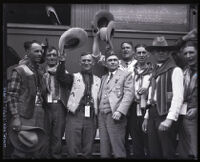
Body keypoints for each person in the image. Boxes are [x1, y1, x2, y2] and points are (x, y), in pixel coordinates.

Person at [143, 36, 184, 159]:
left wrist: (169, 120)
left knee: (167, 152)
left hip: (165, 114)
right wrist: (146, 117)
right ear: (153, 53)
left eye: (164, 50)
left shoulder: (175, 70)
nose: (161, 52)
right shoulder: (154, 71)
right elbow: (151, 96)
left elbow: (178, 97)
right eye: (157, 50)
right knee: (154, 151)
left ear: (169, 52)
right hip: (152, 113)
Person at [7, 40, 48, 159]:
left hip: (39, 112)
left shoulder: (40, 70)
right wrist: (15, 117)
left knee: (37, 148)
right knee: (21, 150)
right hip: (24, 114)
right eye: (36, 51)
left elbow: (43, 92)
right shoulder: (19, 70)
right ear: (28, 52)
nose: (40, 54)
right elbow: (12, 94)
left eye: (41, 51)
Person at [56, 52, 101, 158]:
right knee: (72, 147)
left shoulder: (99, 80)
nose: (86, 62)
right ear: (80, 62)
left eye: (89, 60)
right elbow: (61, 77)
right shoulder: (73, 77)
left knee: (88, 147)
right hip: (75, 113)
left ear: (93, 62)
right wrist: (62, 62)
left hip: (91, 115)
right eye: (84, 60)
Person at [98, 52, 134, 158]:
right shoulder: (104, 77)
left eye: (115, 60)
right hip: (102, 115)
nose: (113, 62)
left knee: (117, 147)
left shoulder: (125, 75)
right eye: (110, 60)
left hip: (115, 115)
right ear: (106, 63)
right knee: (104, 148)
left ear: (118, 62)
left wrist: (120, 111)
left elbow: (129, 94)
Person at [42, 46, 69, 159]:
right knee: (44, 134)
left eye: (54, 55)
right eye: (49, 55)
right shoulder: (40, 71)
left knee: (57, 135)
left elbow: (66, 82)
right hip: (44, 106)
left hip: (59, 106)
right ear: (45, 57)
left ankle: (56, 156)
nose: (52, 57)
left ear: (58, 57)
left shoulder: (63, 71)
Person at [127, 44, 153, 159]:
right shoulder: (130, 70)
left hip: (148, 107)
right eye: (139, 53)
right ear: (135, 55)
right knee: (135, 137)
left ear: (147, 54)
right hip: (133, 107)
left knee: (149, 138)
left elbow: (156, 89)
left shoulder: (153, 70)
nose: (141, 55)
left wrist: (148, 89)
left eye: (144, 53)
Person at [176, 41, 197, 159]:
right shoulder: (184, 71)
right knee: (185, 149)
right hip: (184, 113)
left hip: (194, 113)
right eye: (186, 53)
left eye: (191, 52)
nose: (188, 56)